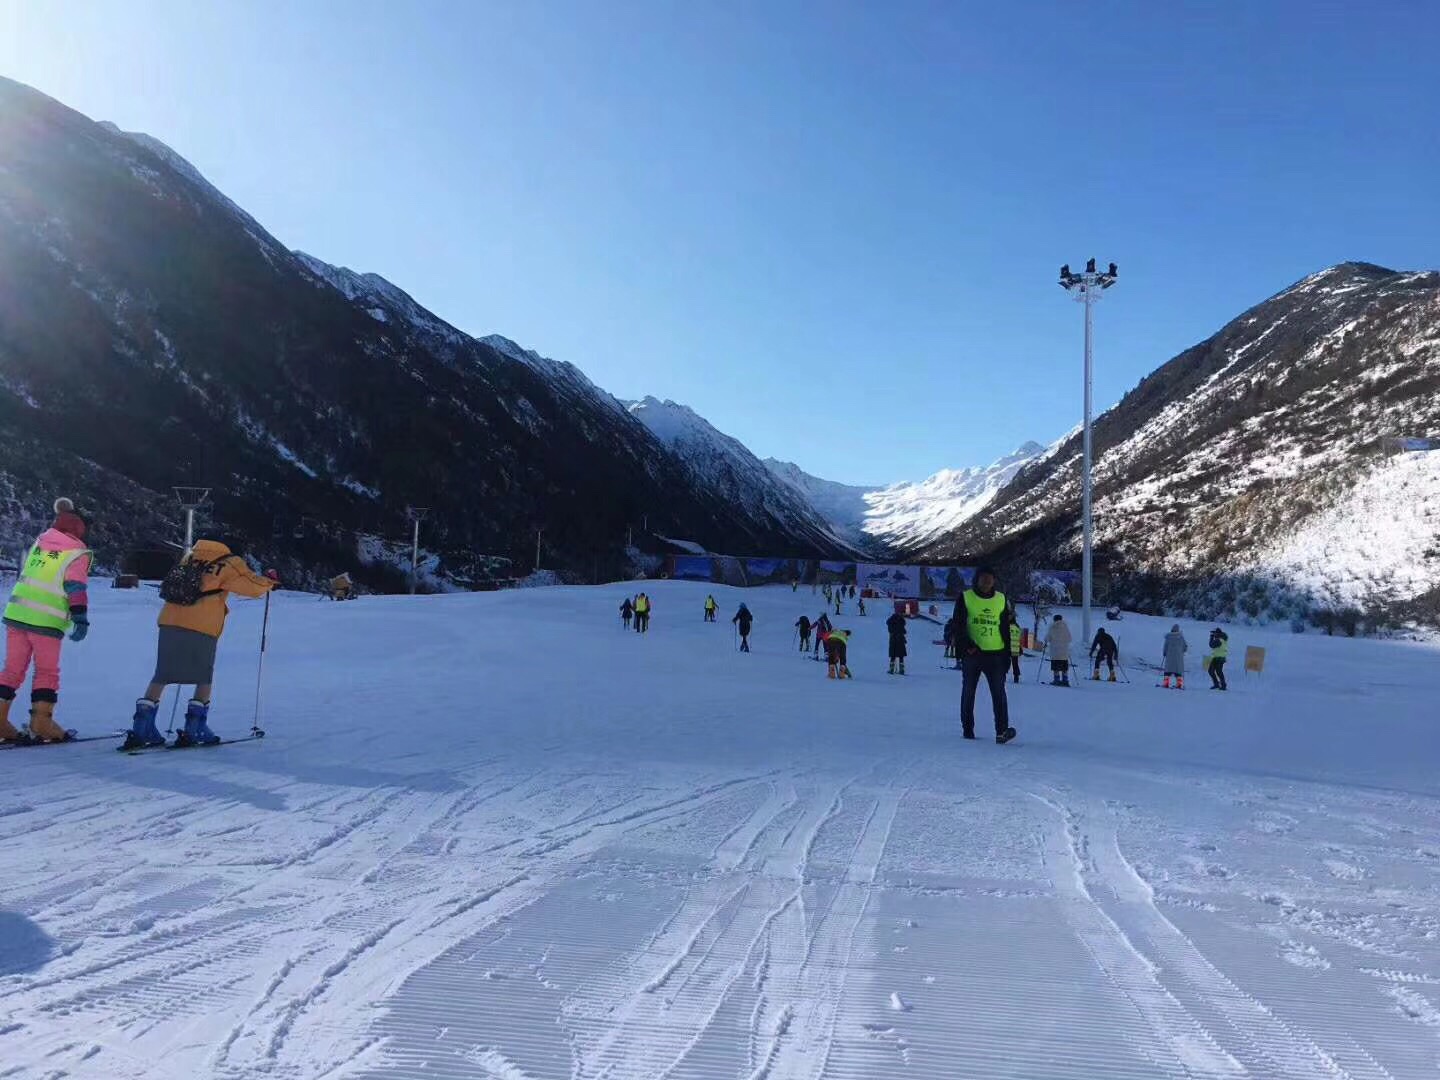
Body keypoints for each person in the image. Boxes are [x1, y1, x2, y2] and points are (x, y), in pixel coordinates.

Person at [123, 539, 276, 750]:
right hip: (201, 623)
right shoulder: (229, 562)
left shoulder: (191, 556)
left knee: (163, 672)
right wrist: (269, 582)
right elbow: (251, 586)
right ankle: (194, 727)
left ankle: (142, 727)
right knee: (203, 674)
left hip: (169, 619)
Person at [1, 498, 92, 744]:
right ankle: (42, 723)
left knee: (12, 670)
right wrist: (80, 618)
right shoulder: (77, 552)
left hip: (17, 614)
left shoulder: (41, 543)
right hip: (46, 621)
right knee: (47, 673)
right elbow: (75, 587)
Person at [953, 567, 1016, 743]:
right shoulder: (966, 597)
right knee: (969, 692)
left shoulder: (1001, 599)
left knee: (999, 694)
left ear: (994, 581)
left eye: (990, 579)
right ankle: (967, 729)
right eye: (983, 578)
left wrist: (1007, 654)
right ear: (976, 580)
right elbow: (958, 625)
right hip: (973, 655)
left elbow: (1005, 627)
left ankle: (1002, 731)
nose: (987, 582)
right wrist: (968, 646)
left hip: (996, 654)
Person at [1047, 614, 1073, 686]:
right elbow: (1070, 638)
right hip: (1064, 651)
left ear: (1054, 619)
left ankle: (1057, 679)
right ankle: (1065, 680)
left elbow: (1047, 638)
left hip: (1055, 651)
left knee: (1056, 666)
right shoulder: (1065, 627)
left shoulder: (1052, 627)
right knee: (1064, 666)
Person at [1162, 624, 1188, 689]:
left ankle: (1166, 684)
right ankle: (1179, 684)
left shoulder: (1168, 637)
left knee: (1168, 671)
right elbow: (1185, 647)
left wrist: (1164, 653)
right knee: (1178, 671)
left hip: (1169, 657)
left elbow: (1166, 646)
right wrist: (1182, 651)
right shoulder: (1181, 637)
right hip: (1178, 658)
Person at [886, 610, 907, 675]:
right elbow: (904, 631)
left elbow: (889, 629)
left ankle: (891, 669)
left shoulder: (891, 622)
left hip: (893, 640)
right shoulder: (901, 621)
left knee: (893, 655)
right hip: (900, 640)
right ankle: (902, 670)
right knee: (901, 655)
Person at [1007, 615, 1023, 683]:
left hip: (1008, 647)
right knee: (1015, 663)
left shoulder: (1007, 627)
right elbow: (1020, 637)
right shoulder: (1017, 627)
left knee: (1005, 662)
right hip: (1016, 647)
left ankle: (1003, 675)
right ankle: (1016, 676)